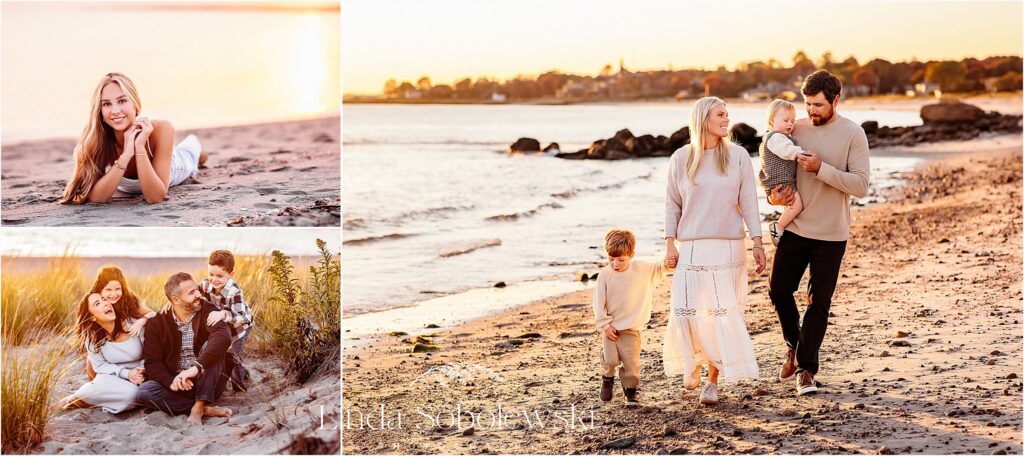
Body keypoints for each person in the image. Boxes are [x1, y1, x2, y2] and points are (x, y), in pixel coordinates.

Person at [767, 70, 870, 396]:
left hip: (832, 233)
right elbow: (770, 171)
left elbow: (861, 186)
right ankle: (794, 347)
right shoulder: (792, 129)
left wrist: (821, 169)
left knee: (818, 302)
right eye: (807, 103)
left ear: (835, 101)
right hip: (796, 227)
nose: (809, 111)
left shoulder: (853, 134)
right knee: (778, 290)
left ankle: (806, 369)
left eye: (817, 104)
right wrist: (773, 196)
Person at [663, 96, 767, 405]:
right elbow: (672, 203)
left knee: (720, 314)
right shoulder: (681, 158)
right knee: (685, 311)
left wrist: (758, 241)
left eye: (727, 114)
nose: (726, 119)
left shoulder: (736, 157)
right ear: (704, 118)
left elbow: (749, 201)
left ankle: (712, 381)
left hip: (728, 247)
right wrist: (669, 241)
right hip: (692, 246)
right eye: (720, 114)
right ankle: (690, 361)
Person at [59, 72, 207, 205]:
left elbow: (154, 197)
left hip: (177, 163)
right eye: (106, 104)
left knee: (191, 152)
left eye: (122, 101)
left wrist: (140, 148)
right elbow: (97, 198)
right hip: (136, 155)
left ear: (135, 104)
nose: (115, 111)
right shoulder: (95, 141)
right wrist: (126, 155)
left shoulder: (162, 128)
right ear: (100, 111)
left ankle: (198, 153)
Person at [136, 272, 233, 425]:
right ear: (176, 299)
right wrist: (171, 381)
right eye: (192, 292)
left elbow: (223, 336)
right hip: (179, 384)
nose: (198, 295)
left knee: (214, 347)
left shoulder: (207, 309)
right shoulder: (157, 323)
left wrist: (196, 368)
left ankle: (200, 404)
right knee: (144, 392)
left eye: (197, 289)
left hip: (207, 379)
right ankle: (203, 409)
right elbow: (153, 363)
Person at [591, 228, 667, 406]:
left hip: (632, 328)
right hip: (611, 328)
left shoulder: (641, 269)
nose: (615, 264)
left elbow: (661, 268)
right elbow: (598, 302)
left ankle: (630, 393)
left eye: (621, 259)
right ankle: (607, 379)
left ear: (631, 254)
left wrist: (670, 259)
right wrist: (604, 325)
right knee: (610, 360)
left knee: (631, 364)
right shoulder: (605, 275)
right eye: (611, 259)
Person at [61, 293, 146, 413]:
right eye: (97, 303)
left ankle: (94, 399)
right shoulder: (92, 337)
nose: (105, 303)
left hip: (142, 374)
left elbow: (151, 352)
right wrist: (127, 374)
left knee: (141, 394)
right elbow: (100, 366)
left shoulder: (133, 324)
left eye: (104, 299)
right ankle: (75, 399)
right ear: (92, 317)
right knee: (132, 395)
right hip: (113, 376)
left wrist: (142, 369)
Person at [85, 266, 156, 380]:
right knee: (90, 360)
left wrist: (141, 321)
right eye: (108, 290)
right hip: (109, 345)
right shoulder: (96, 301)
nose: (114, 294)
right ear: (100, 290)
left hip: (132, 340)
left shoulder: (129, 301)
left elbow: (153, 314)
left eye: (117, 289)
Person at [198, 249, 254, 392]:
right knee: (220, 351)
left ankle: (239, 388)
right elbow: (192, 294)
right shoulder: (205, 285)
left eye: (219, 276)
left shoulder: (234, 291)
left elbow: (241, 316)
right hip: (224, 327)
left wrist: (223, 314)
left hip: (241, 326)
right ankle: (244, 372)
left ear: (231, 274)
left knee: (232, 356)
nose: (214, 279)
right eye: (211, 274)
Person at [758, 99, 808, 246]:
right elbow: (786, 150)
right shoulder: (775, 137)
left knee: (790, 205)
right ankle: (778, 227)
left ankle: (783, 228)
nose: (790, 124)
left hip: (779, 180)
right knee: (796, 206)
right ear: (772, 120)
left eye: (793, 120)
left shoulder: (778, 136)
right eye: (786, 120)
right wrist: (800, 153)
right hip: (781, 181)